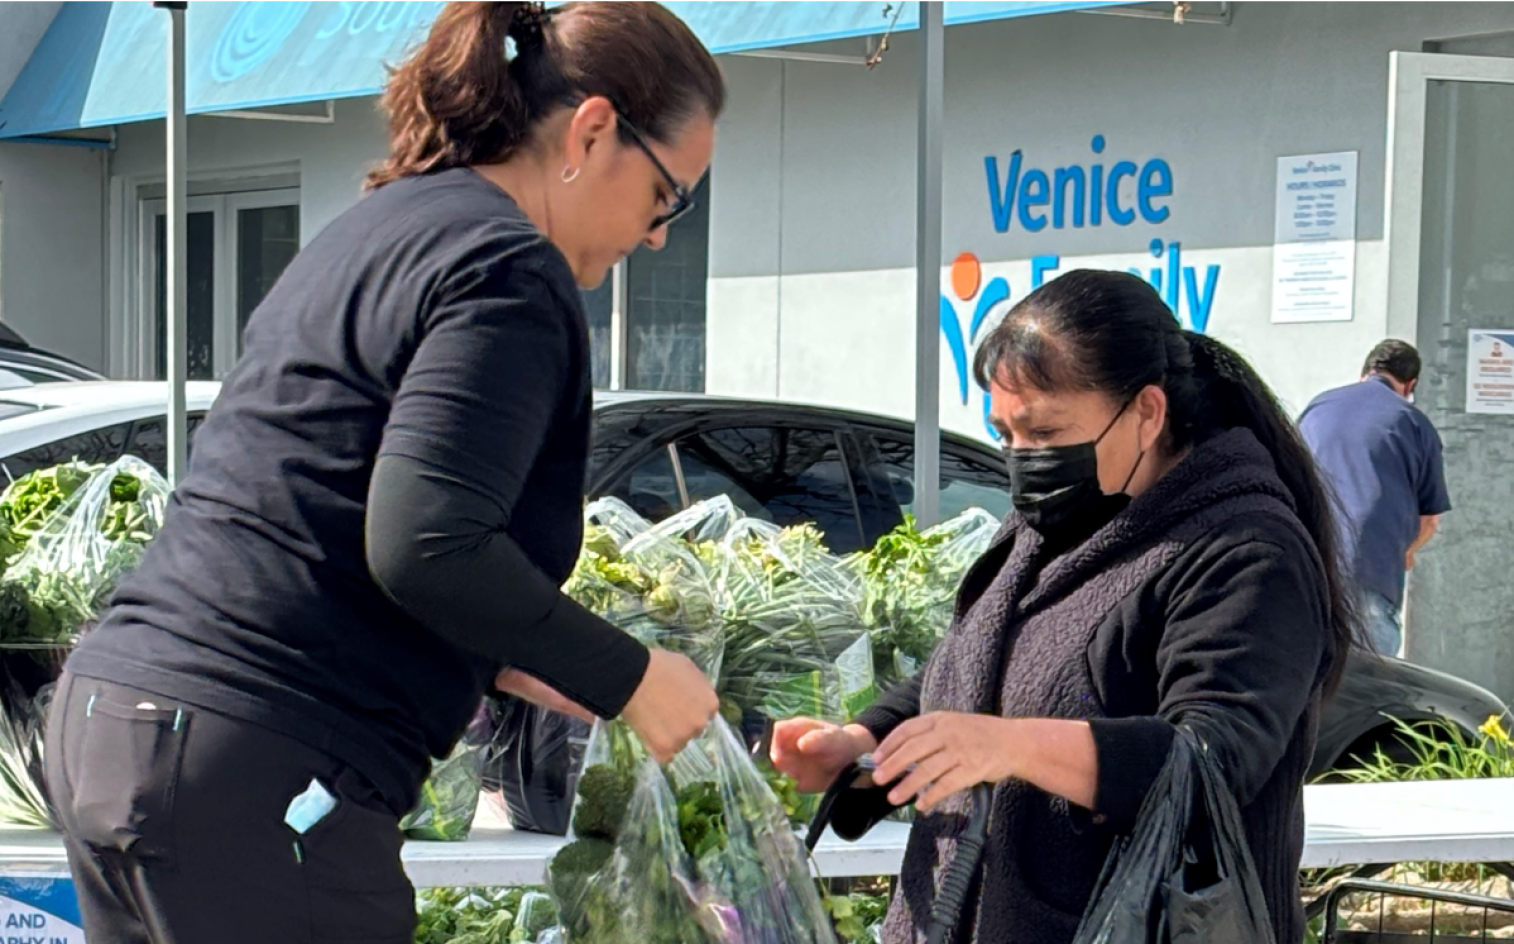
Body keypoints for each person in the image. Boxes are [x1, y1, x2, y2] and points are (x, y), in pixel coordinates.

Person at [44, 4, 724, 941]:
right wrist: (631, 676)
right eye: (667, 197)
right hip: (256, 759)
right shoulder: (508, 270)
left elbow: (323, 500)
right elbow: (428, 542)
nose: (657, 237)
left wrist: (520, 658)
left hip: (127, 721)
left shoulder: (387, 223)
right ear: (594, 130)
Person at [772, 270, 1357, 944]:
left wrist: (1010, 746)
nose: (1023, 460)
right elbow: (970, 673)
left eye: (1046, 433)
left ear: (1147, 412)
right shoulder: (1047, 524)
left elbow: (1209, 767)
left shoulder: (1247, 550)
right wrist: (862, 744)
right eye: (1005, 435)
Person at [1298, 339, 1451, 657]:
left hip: (1306, 568)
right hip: (1371, 571)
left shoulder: (1318, 407)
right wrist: (1406, 552)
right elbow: (1430, 519)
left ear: (1364, 372)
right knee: (1367, 692)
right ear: (1411, 385)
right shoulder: (1414, 423)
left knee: (1305, 683)